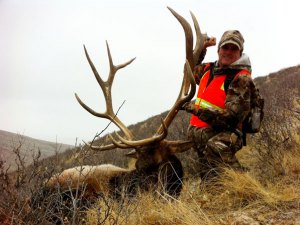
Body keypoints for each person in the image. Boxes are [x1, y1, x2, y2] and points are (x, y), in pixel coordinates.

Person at [182, 30, 257, 179]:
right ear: (218, 50)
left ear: (240, 52)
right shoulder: (208, 70)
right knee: (208, 176)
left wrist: (197, 110)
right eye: (225, 47)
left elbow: (231, 119)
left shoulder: (241, 78)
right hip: (202, 135)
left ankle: (245, 185)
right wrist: (202, 49)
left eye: (233, 49)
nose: (228, 52)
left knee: (216, 150)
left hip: (227, 135)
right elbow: (189, 70)